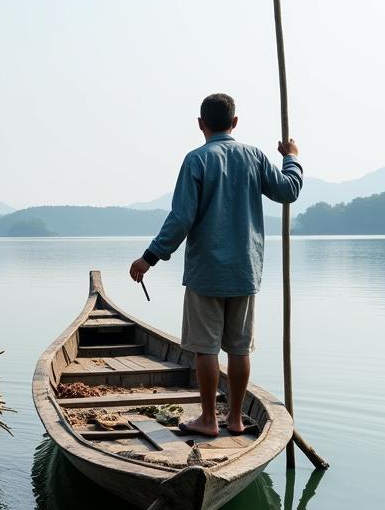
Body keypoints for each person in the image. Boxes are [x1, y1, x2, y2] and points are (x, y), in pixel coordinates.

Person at [129, 93, 302, 437]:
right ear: (234, 123)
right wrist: (292, 159)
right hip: (245, 271)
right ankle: (235, 419)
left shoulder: (196, 160)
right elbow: (288, 190)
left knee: (205, 349)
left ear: (200, 124)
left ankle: (208, 419)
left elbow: (181, 218)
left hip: (206, 273)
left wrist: (149, 258)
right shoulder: (254, 156)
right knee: (239, 349)